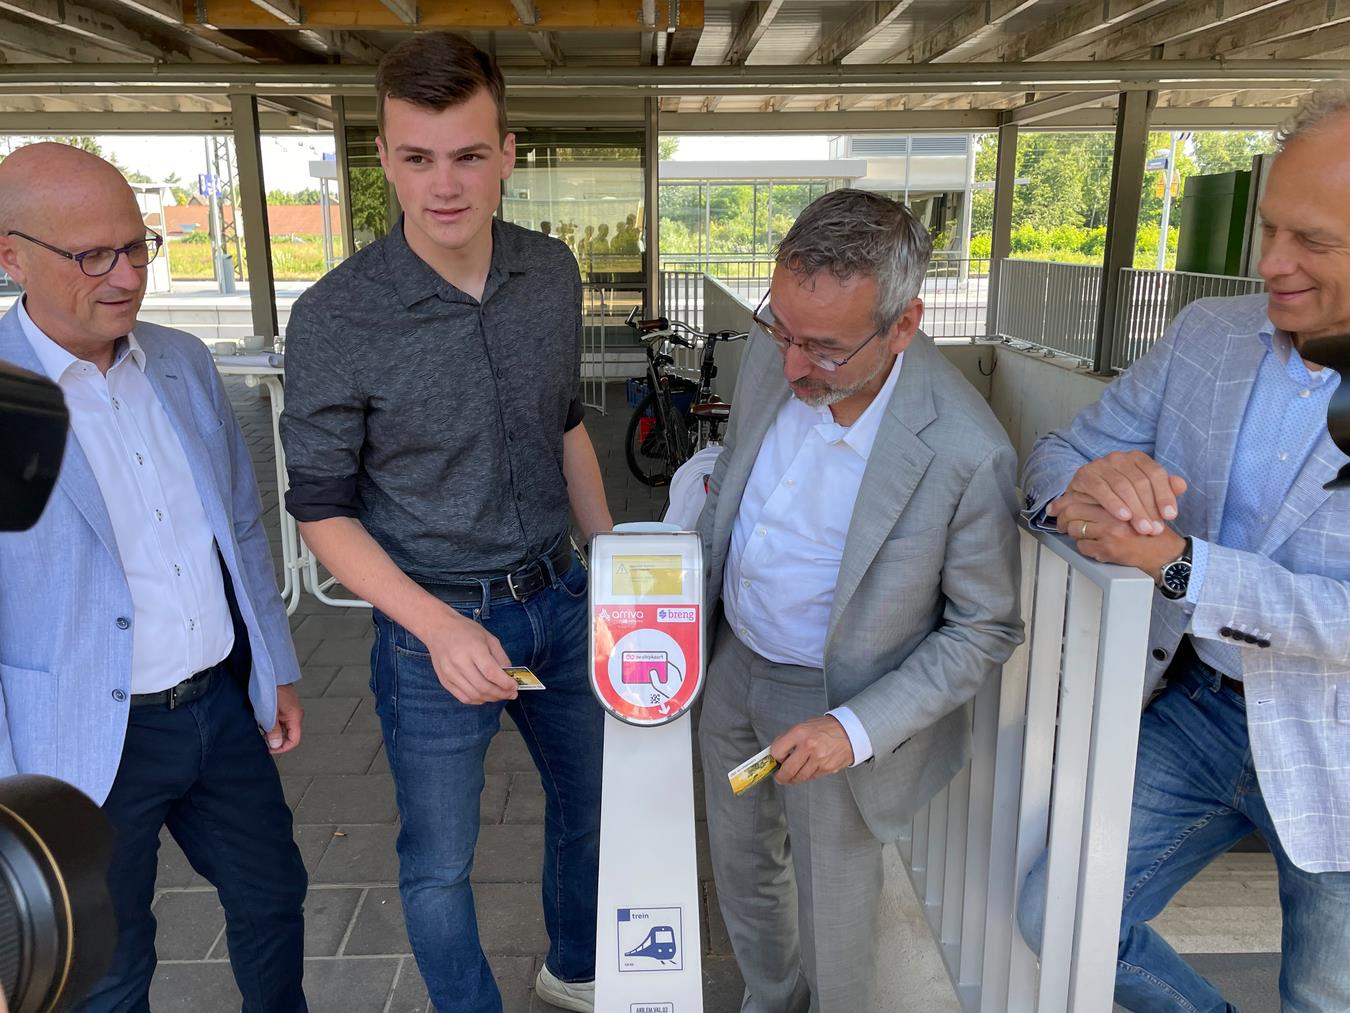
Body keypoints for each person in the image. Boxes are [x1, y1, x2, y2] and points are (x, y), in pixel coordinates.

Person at [278, 32, 612, 1013]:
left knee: (593, 810)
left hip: (561, 596)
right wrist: (434, 623)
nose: (444, 184)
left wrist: (617, 562)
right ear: (384, 157)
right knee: (437, 860)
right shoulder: (338, 317)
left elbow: (565, 427)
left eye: (468, 154)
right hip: (431, 627)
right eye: (417, 157)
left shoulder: (550, 274)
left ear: (508, 151)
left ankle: (578, 967)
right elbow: (321, 508)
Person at [1016, 88, 1350, 1012]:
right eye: (1268, 227)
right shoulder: (1210, 333)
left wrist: (1178, 562)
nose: (1271, 263)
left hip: (1338, 740)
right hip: (1199, 704)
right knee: (1063, 915)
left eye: (1313, 242)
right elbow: (1054, 457)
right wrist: (1087, 495)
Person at [696, 188, 1023, 1012]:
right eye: (783, 330)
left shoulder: (965, 449)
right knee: (741, 865)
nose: (793, 366)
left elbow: (984, 626)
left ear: (904, 325)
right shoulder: (781, 358)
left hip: (835, 702)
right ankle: (770, 999)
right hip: (733, 666)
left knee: (836, 911)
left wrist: (854, 729)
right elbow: (732, 480)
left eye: (826, 350)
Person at [0, 143, 307, 1011]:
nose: (127, 276)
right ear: (11, 254)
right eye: (93, 254)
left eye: (138, 247)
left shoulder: (180, 361)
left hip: (217, 706)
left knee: (274, 899)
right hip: (76, 746)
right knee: (108, 966)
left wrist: (275, 662)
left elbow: (241, 525)